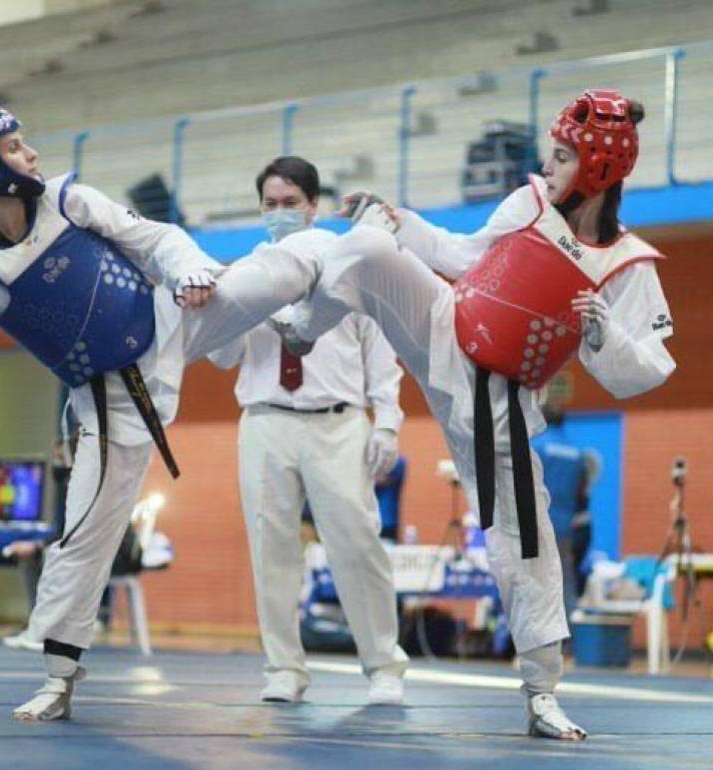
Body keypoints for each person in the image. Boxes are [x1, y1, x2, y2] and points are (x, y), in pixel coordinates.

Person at [0, 101, 326, 721]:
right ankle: (58, 678)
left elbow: (157, 237)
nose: (32, 155)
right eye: (16, 147)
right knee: (83, 535)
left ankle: (322, 304)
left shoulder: (67, 200)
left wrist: (188, 271)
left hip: (173, 319)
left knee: (275, 270)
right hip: (109, 401)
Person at [285, 89, 676, 739]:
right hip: (446, 327)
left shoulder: (625, 265)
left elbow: (648, 371)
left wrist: (608, 337)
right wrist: (397, 219)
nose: (547, 168)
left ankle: (542, 694)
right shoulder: (527, 203)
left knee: (527, 544)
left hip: (502, 402)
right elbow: (462, 256)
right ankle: (301, 327)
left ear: (600, 170)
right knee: (367, 249)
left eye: (561, 158)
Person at [208, 156, 409, 705]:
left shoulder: (348, 264)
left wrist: (387, 422)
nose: (279, 214)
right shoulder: (247, 273)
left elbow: (381, 348)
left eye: (290, 204)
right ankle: (283, 669)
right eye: (270, 205)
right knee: (271, 548)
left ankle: (383, 667)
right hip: (266, 421)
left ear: (313, 207)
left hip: (337, 422)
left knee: (357, 543)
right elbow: (224, 357)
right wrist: (219, 302)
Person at [530, 405, 601, 621]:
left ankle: (534, 640)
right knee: (564, 580)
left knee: (534, 582)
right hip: (565, 527)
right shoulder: (578, 455)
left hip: (537, 525)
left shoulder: (536, 448)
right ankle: (569, 640)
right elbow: (581, 493)